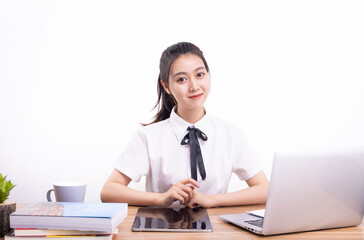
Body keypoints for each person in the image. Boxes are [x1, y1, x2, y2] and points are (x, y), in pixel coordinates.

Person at [101, 42, 269, 208]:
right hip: (163, 230)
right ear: (166, 86)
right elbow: (109, 191)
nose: (194, 86)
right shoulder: (148, 136)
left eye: (200, 75)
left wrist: (213, 200)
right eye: (182, 79)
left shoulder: (231, 134)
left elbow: (265, 190)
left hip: (216, 231)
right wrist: (161, 198)